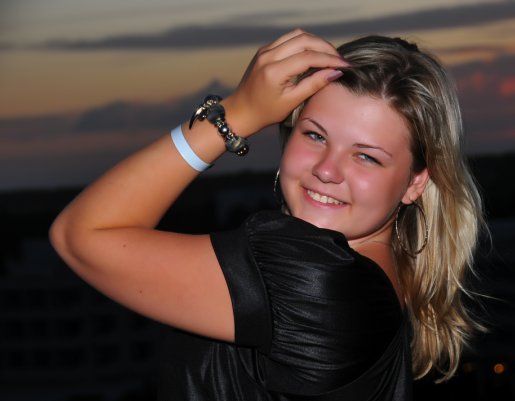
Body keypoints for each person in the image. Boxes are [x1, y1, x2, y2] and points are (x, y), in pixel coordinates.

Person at [50, 29, 485, 399]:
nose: (327, 170)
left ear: (414, 183)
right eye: (315, 136)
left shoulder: (314, 279)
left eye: (367, 157)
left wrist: (235, 115)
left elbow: (80, 235)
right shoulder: (382, 277)